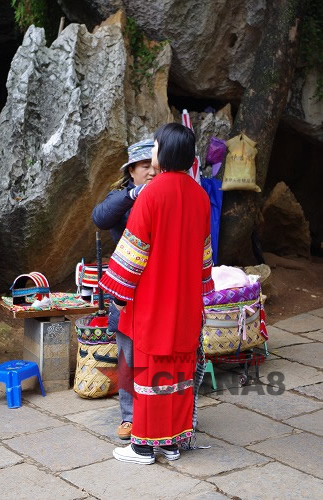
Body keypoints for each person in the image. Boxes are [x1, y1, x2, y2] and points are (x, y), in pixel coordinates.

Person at [100, 123, 214, 465]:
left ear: (163, 152)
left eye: (154, 147)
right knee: (179, 370)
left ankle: (143, 447)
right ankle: (172, 443)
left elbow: (133, 254)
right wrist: (202, 291)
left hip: (152, 300)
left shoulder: (151, 193)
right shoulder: (199, 195)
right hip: (186, 301)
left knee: (149, 371)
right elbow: (204, 255)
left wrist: (118, 294)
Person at [92, 138, 157, 440]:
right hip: (128, 289)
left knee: (157, 353)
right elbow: (100, 218)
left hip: (158, 288)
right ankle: (129, 417)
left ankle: (158, 411)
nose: (152, 172)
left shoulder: (163, 194)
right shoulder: (123, 197)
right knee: (127, 356)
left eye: (155, 166)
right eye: (146, 167)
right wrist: (133, 194)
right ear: (132, 170)